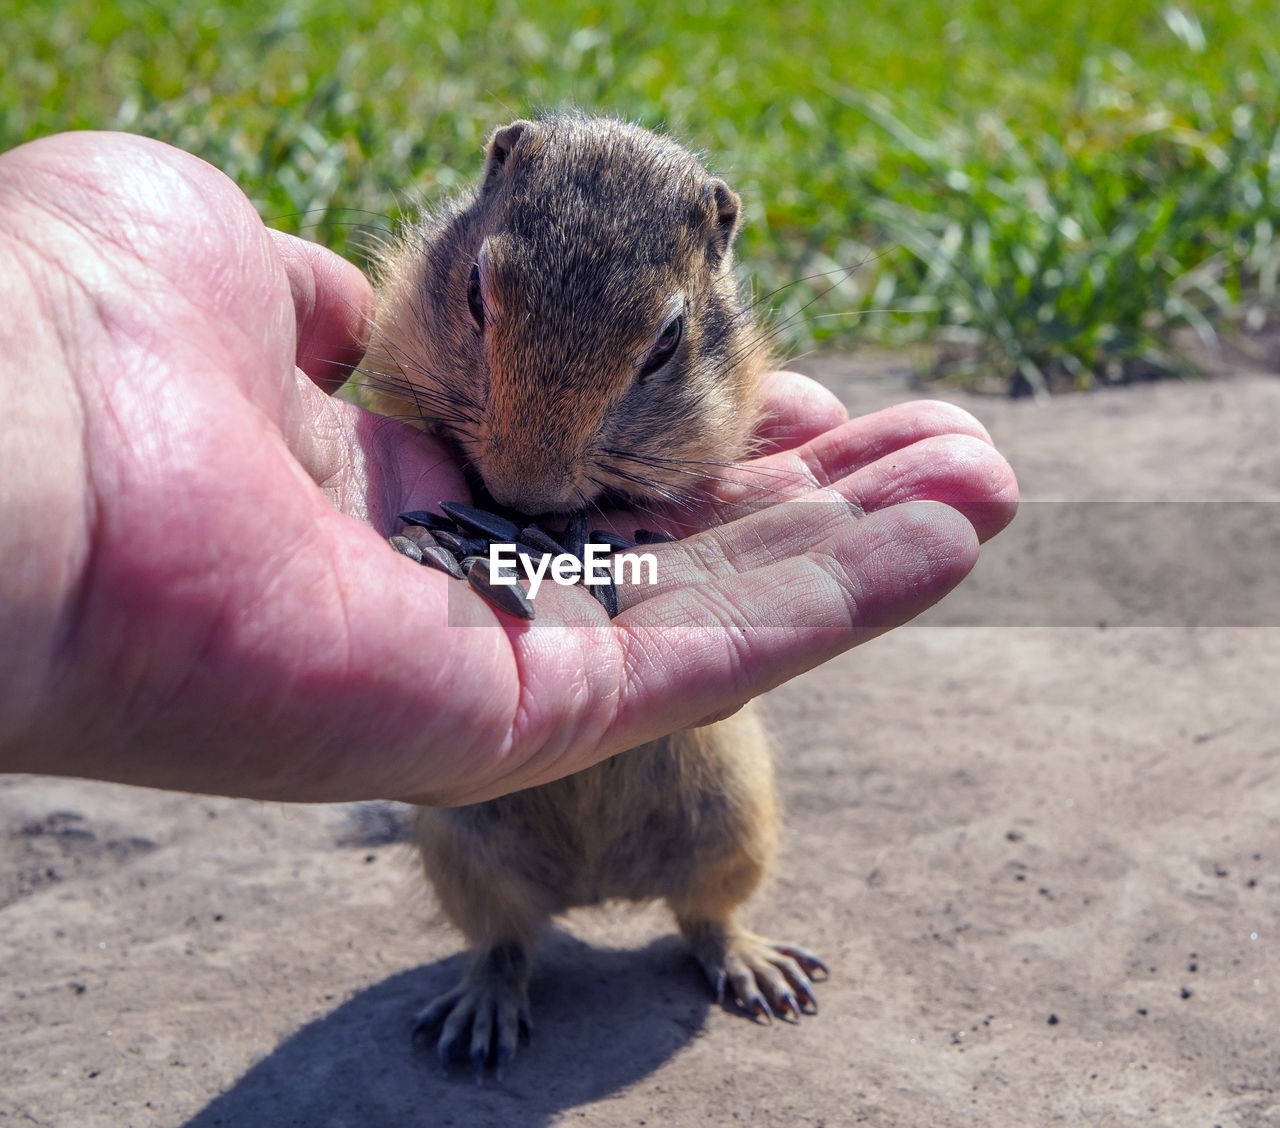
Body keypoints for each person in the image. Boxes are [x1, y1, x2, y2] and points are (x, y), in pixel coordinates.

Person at [0, 131, 1017, 807]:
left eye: (658, 351)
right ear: (495, 179)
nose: (528, 468)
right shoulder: (437, 286)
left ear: (720, 245)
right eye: (486, 308)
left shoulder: (711, 347)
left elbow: (714, 435)